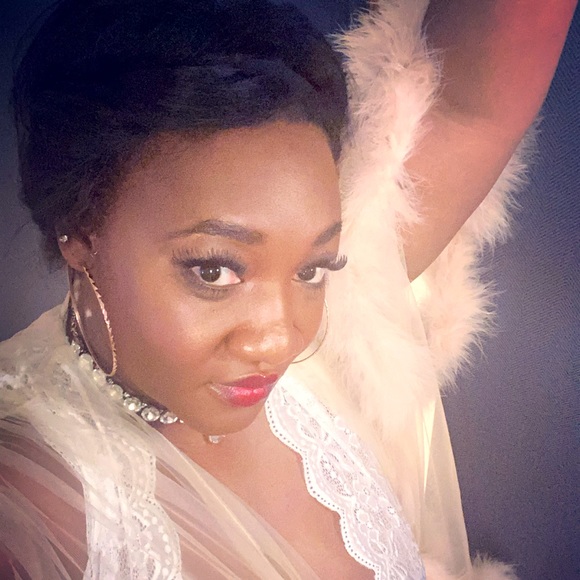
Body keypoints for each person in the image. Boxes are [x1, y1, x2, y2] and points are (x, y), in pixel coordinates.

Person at [0, 0, 574, 578]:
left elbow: (471, 107)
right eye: (215, 271)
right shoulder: (26, 514)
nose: (281, 341)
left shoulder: (335, 336)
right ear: (79, 229)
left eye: (311, 269)